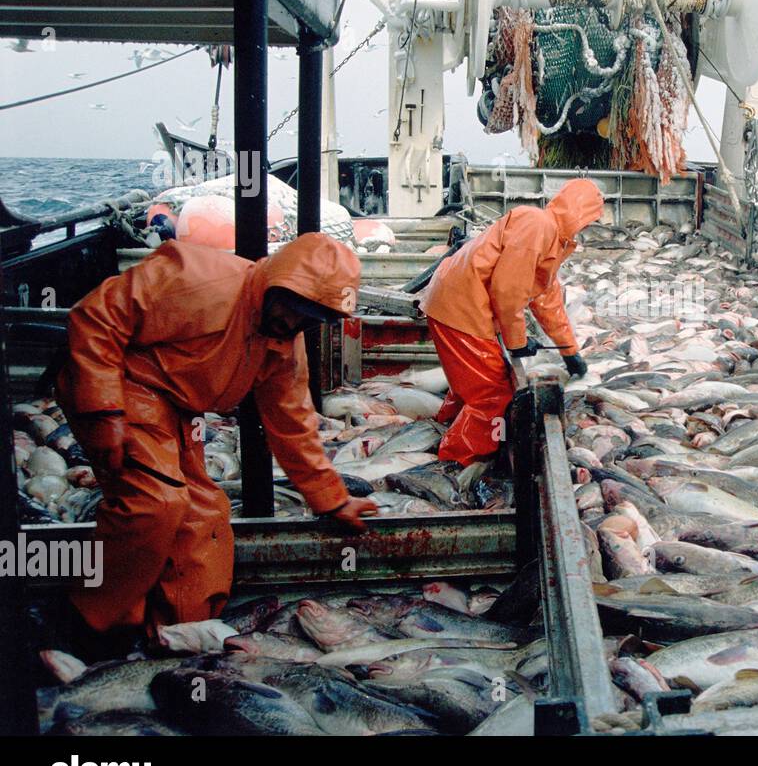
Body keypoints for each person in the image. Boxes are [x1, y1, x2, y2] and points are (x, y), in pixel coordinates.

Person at [54, 232, 377, 648]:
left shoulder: (282, 345)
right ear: (275, 282)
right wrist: (104, 411)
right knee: (155, 503)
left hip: (177, 409)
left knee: (205, 516)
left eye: (310, 317)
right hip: (122, 383)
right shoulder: (197, 276)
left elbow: (292, 423)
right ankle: (85, 624)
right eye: (292, 307)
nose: (293, 322)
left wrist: (332, 498)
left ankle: (175, 634)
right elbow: (94, 317)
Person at [420, 178, 604, 466]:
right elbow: (507, 290)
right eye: (588, 221)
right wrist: (517, 343)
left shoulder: (553, 238)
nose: (586, 228)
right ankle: (456, 461)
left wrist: (570, 351)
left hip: (456, 301)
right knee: (492, 393)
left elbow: (546, 298)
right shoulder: (537, 225)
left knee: (472, 381)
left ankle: (442, 429)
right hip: (462, 306)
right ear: (577, 214)